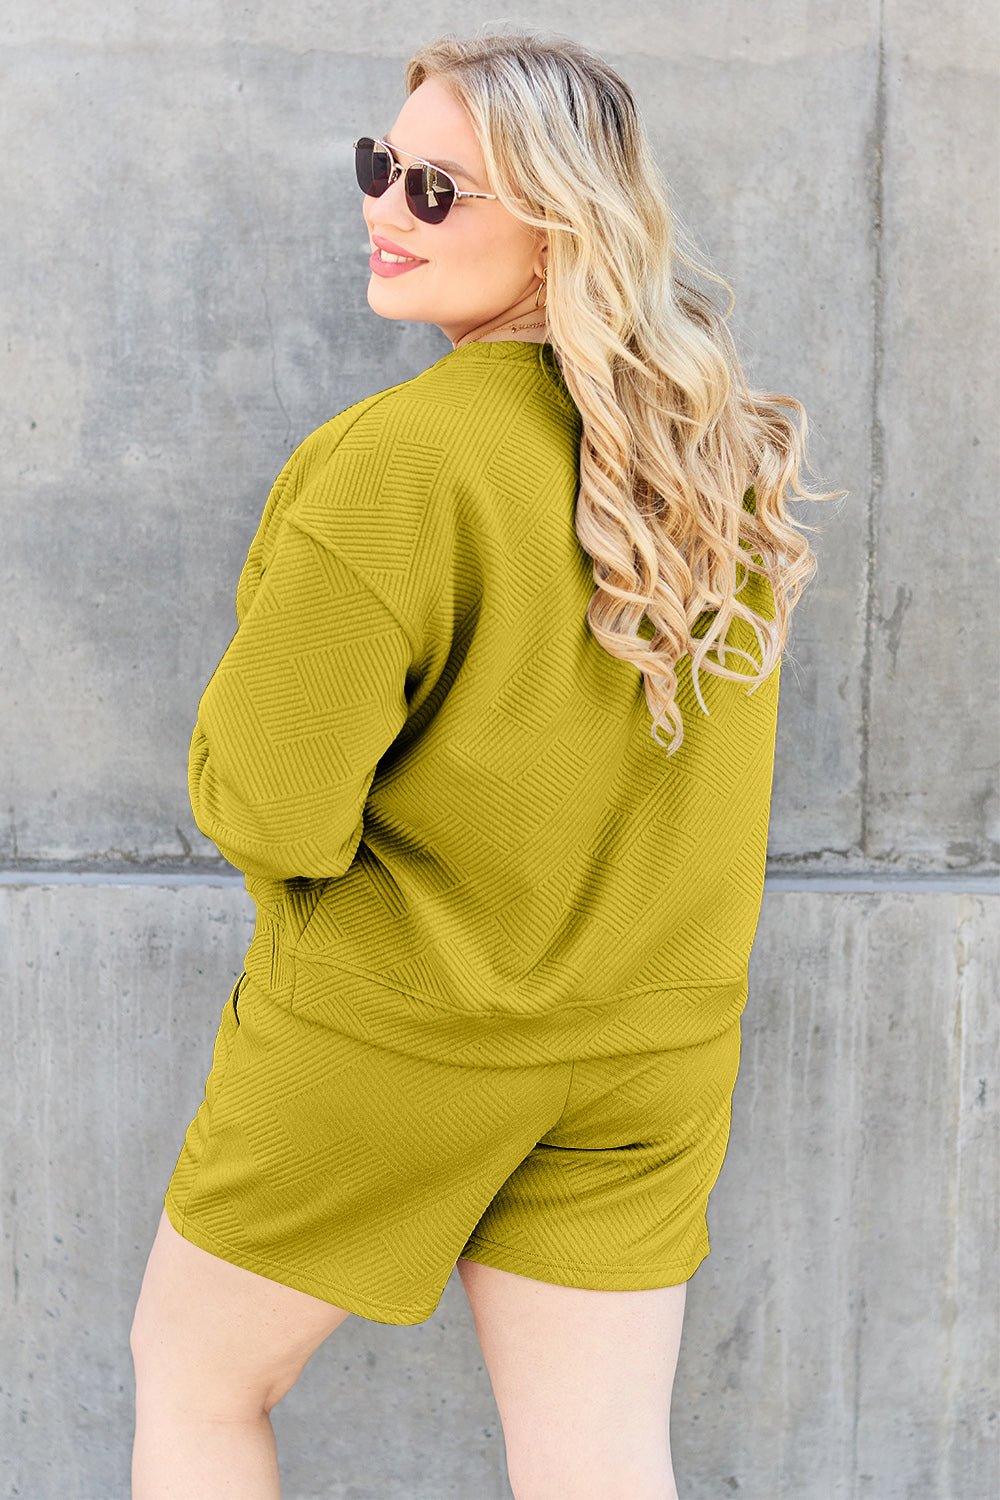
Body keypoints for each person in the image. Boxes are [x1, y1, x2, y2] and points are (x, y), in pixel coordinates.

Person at [129, 27, 843, 1500]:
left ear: (561, 222)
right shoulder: (712, 458)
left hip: (398, 1032)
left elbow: (268, 800)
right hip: (650, 1056)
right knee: (597, 1462)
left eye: (438, 191)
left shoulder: (396, 463)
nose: (387, 209)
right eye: (380, 167)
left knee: (198, 1388)